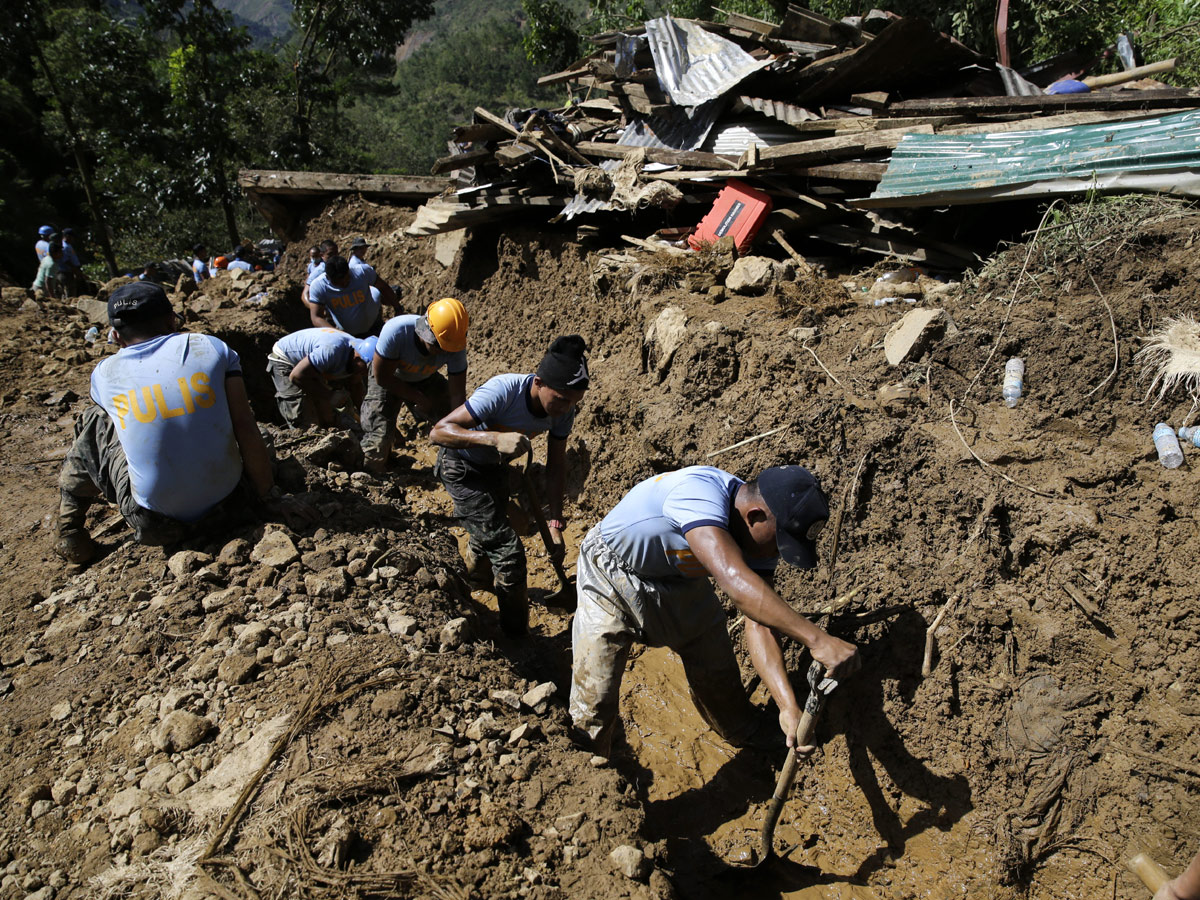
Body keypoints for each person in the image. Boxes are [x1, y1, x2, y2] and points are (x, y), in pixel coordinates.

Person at [568, 464, 860, 759]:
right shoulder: (699, 494)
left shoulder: (755, 538)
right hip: (611, 574)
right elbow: (735, 582)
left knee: (716, 669)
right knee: (596, 700)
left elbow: (759, 620)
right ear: (755, 517)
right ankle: (595, 771)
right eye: (779, 544)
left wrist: (787, 705)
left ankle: (742, 730)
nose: (777, 555)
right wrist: (818, 640)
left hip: (678, 579)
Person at [54, 282, 306, 565]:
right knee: (255, 431)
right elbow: (244, 425)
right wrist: (269, 497)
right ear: (172, 319)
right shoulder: (209, 347)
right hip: (235, 504)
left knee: (94, 419)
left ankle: (70, 530)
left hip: (154, 524)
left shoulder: (104, 374)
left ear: (115, 334)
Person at [430, 335, 590, 637]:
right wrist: (492, 438)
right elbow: (438, 432)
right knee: (510, 554)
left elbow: (557, 468)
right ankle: (517, 639)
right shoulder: (502, 391)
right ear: (539, 382)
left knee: (492, 527)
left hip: (495, 468)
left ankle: (477, 580)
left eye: (573, 402)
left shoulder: (562, 411)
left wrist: (555, 523)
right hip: (461, 465)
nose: (566, 408)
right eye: (560, 399)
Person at [361, 298, 469, 473]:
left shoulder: (455, 343)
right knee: (377, 444)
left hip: (424, 376)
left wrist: (458, 429)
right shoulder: (397, 332)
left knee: (454, 420)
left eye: (447, 349)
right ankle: (376, 478)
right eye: (438, 347)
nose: (442, 353)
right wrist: (418, 398)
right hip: (390, 377)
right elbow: (382, 378)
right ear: (425, 332)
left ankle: (454, 465)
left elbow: (457, 394)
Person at [267, 327, 374, 429]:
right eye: (368, 368)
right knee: (306, 422)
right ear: (357, 357)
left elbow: (355, 385)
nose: (368, 373)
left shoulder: (359, 353)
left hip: (313, 364)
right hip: (286, 360)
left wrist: (365, 415)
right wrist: (331, 396)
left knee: (327, 416)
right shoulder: (332, 351)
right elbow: (296, 376)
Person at [305, 254, 397, 338]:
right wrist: (339, 335)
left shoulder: (362, 272)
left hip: (374, 326)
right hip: (348, 334)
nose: (344, 284)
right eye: (339, 283)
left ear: (348, 271)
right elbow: (316, 317)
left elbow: (383, 287)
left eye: (347, 280)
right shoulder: (319, 286)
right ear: (328, 278)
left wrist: (398, 308)